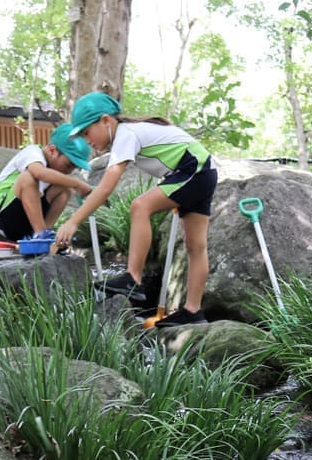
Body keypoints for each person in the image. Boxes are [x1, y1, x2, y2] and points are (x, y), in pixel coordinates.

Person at [52, 91, 216, 327]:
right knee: (195, 246)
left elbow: (105, 188)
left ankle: (133, 279)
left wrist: (73, 221)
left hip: (194, 170)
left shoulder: (125, 134)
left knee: (140, 207)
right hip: (203, 171)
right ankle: (193, 311)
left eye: (87, 132)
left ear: (106, 121)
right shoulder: (131, 132)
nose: (86, 140)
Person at [0, 123, 93, 241]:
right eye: (68, 165)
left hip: (25, 225)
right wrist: (77, 184)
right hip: (2, 218)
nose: (69, 171)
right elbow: (39, 173)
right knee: (27, 179)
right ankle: (41, 234)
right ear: (52, 150)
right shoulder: (33, 152)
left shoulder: (53, 173)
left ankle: (46, 233)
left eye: (74, 168)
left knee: (64, 190)